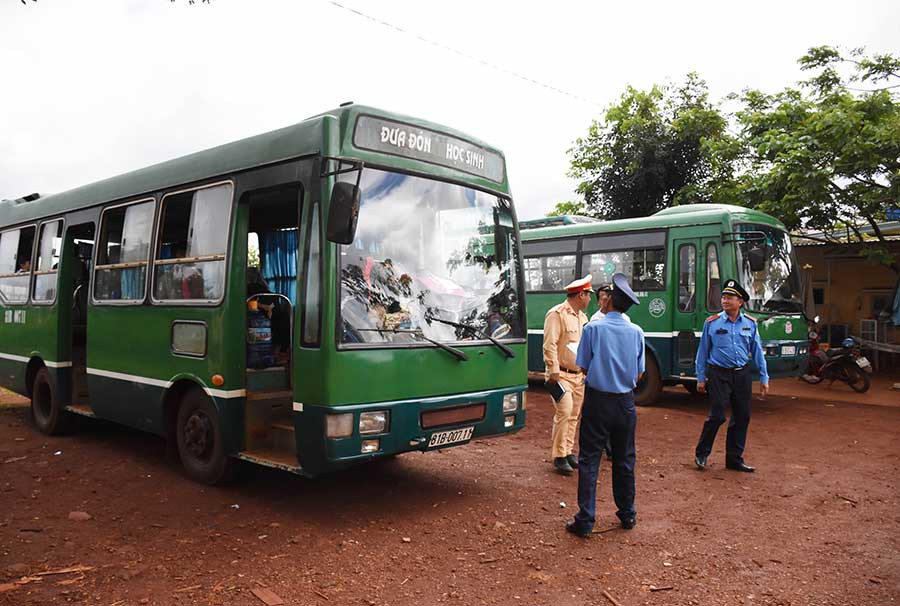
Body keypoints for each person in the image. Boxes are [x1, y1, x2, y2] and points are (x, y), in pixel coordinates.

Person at [566, 273, 644, 538]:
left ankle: (586, 519)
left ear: (609, 300)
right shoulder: (637, 332)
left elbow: (583, 364)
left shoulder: (593, 329)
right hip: (625, 403)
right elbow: (640, 373)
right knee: (625, 459)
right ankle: (627, 514)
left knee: (589, 459)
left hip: (598, 400)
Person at [693, 279, 769, 473]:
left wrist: (764, 376)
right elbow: (702, 352)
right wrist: (700, 377)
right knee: (717, 415)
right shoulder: (712, 322)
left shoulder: (750, 323)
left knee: (742, 416)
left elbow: (757, 351)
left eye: (730, 297)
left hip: (742, 374)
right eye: (724, 297)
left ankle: (734, 459)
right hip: (718, 373)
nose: (725, 301)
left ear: (740, 302)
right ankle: (702, 453)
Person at [542, 274, 592, 476]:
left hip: (578, 375)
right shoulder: (556, 314)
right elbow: (550, 343)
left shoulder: (583, 318)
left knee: (574, 415)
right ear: (581, 294)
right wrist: (552, 370)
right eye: (589, 295)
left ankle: (568, 451)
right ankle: (559, 455)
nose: (590, 299)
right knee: (565, 411)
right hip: (560, 375)